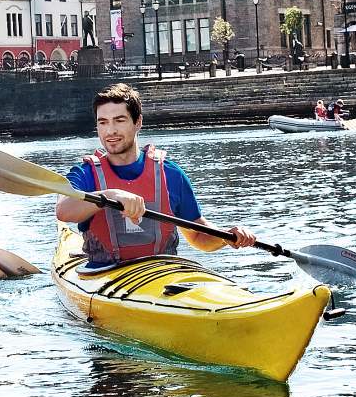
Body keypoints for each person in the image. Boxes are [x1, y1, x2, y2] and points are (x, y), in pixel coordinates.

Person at [57, 83, 255, 270]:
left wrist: (225, 237)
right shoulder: (85, 173)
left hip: (163, 276)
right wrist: (111, 195)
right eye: (103, 122)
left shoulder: (170, 174)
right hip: (103, 275)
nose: (110, 131)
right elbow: (64, 212)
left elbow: (197, 236)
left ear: (138, 122)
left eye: (119, 120)